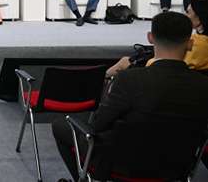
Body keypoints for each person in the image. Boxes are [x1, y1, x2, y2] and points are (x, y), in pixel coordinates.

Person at [53, 12, 208, 181]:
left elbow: (98, 125)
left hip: (121, 166)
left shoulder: (129, 79)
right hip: (176, 167)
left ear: (150, 38)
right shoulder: (203, 85)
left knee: (61, 126)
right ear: (190, 44)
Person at [107, 0, 208, 76]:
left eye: (188, 12)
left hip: (162, 72)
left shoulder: (199, 43)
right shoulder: (198, 39)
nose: (185, 15)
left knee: (124, 62)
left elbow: (175, 64)